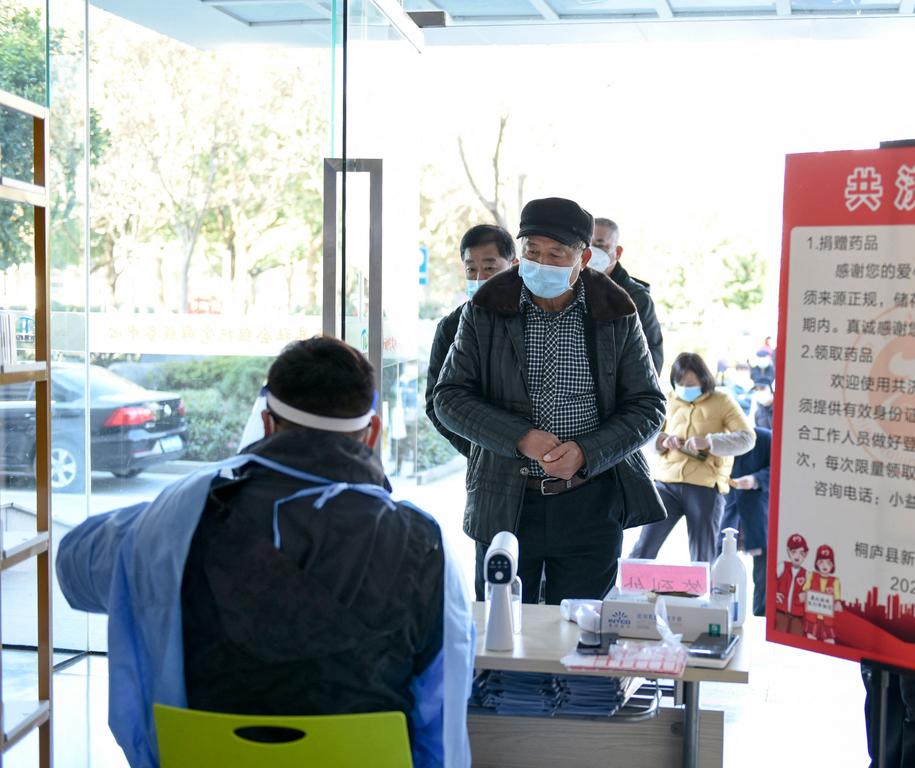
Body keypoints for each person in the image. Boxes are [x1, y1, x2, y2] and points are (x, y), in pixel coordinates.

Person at [56, 336, 474, 768]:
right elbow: (440, 716)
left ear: (267, 424)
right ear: (371, 433)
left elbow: (73, 567)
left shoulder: (176, 520)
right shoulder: (424, 545)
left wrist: (171, 510)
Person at [433, 196, 666, 605]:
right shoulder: (485, 309)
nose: (541, 264)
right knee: (501, 635)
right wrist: (519, 438)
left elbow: (649, 406)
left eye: (556, 254)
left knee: (583, 634)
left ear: (584, 257)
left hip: (591, 500)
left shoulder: (617, 313)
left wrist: (586, 451)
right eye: (532, 252)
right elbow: (448, 398)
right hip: (505, 500)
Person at [630, 351, 755, 563]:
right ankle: (631, 590)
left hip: (705, 485)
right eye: (680, 383)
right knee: (643, 547)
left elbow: (747, 438)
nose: (685, 388)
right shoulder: (668, 398)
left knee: (702, 554)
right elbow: (645, 437)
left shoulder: (722, 401)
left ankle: (700, 594)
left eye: (690, 382)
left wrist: (710, 442)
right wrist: (662, 441)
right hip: (666, 482)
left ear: (703, 379)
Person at [425, 224, 516, 457]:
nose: (479, 278)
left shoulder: (534, 317)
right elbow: (435, 404)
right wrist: (480, 452)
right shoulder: (450, 327)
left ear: (514, 265)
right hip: (488, 461)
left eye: (489, 268)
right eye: (471, 269)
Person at [590, 217, 664, 376]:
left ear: (617, 252)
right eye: (586, 245)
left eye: (599, 245)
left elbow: (652, 356)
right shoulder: (570, 289)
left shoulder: (637, 298)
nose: (591, 252)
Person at [720, 425, 771, 616]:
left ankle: (761, 617)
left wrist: (756, 479)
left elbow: (781, 465)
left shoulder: (764, 438)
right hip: (726, 507)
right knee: (719, 562)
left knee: (763, 571)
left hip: (758, 509)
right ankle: (719, 612)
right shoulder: (713, 439)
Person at [775, 532, 809, 635]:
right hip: (780, 611)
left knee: (797, 637)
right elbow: (771, 580)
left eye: (801, 553)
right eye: (794, 552)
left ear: (806, 554)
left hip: (798, 615)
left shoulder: (806, 574)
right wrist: (774, 593)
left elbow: (809, 591)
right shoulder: (782, 566)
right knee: (779, 635)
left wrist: (806, 595)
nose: (797, 556)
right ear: (788, 552)